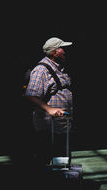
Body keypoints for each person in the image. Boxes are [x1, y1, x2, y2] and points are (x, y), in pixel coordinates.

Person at [24, 37, 73, 167]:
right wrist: (49, 109)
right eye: (62, 48)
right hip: (49, 127)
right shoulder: (41, 70)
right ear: (54, 52)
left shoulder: (58, 67)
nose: (65, 51)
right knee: (47, 160)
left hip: (61, 125)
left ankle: (60, 184)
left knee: (62, 161)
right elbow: (30, 95)